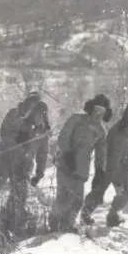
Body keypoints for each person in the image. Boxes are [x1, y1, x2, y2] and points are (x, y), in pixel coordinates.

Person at [0, 91, 50, 233]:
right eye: (35, 112)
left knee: (20, 192)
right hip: (8, 156)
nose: (38, 117)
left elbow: (42, 154)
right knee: (0, 180)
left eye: (41, 115)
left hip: (24, 164)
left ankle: (14, 220)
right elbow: (4, 132)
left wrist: (39, 173)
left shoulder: (42, 132)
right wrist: (16, 139)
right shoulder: (15, 115)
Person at [49, 94, 112, 232]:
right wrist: (67, 154)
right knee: (63, 199)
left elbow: (101, 154)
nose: (98, 114)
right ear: (91, 108)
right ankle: (53, 225)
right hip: (65, 165)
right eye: (96, 109)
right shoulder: (76, 119)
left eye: (102, 111)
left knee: (77, 202)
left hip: (81, 170)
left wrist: (99, 171)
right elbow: (63, 137)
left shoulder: (101, 131)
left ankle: (68, 226)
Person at [81, 101, 128, 227]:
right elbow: (114, 155)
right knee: (98, 193)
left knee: (125, 195)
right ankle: (85, 214)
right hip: (108, 167)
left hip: (123, 168)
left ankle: (112, 215)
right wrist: (117, 180)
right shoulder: (118, 130)